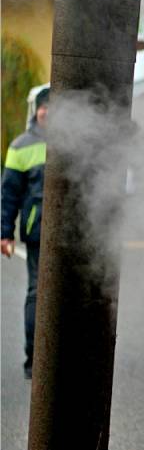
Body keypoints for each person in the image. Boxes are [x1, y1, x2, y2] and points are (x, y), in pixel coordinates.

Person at [1, 86, 49, 379]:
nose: (49, 112)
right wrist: (4, 233)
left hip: (73, 237)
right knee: (37, 292)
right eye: (44, 106)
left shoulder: (74, 143)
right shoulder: (20, 146)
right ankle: (34, 358)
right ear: (36, 110)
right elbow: (9, 194)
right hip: (38, 231)